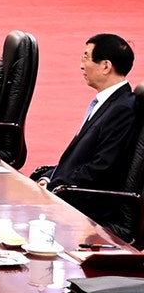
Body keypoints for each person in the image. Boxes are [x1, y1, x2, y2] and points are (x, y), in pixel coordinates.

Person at [31, 34, 139, 229]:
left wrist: (54, 186)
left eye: (86, 57)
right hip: (70, 190)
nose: (82, 65)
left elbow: (102, 168)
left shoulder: (122, 110)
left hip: (88, 205)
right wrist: (50, 177)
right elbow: (81, 159)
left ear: (106, 66)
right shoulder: (107, 103)